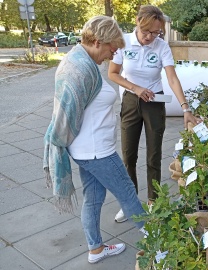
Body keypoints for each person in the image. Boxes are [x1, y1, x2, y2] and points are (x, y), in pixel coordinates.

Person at [43, 15, 146, 264]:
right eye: (112, 47)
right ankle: (162, 243)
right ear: (99, 41)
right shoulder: (80, 70)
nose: (114, 52)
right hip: (97, 152)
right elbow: (66, 113)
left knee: (93, 199)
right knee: (128, 195)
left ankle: (95, 249)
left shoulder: (83, 61)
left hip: (88, 150)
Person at [108, 5, 199, 223]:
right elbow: (112, 74)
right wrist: (135, 88)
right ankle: (129, 202)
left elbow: (172, 79)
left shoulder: (161, 47)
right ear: (138, 21)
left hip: (155, 102)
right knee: (128, 155)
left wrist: (185, 108)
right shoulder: (123, 42)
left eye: (156, 32)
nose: (151, 37)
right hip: (131, 101)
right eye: (147, 31)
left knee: (153, 155)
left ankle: (153, 201)